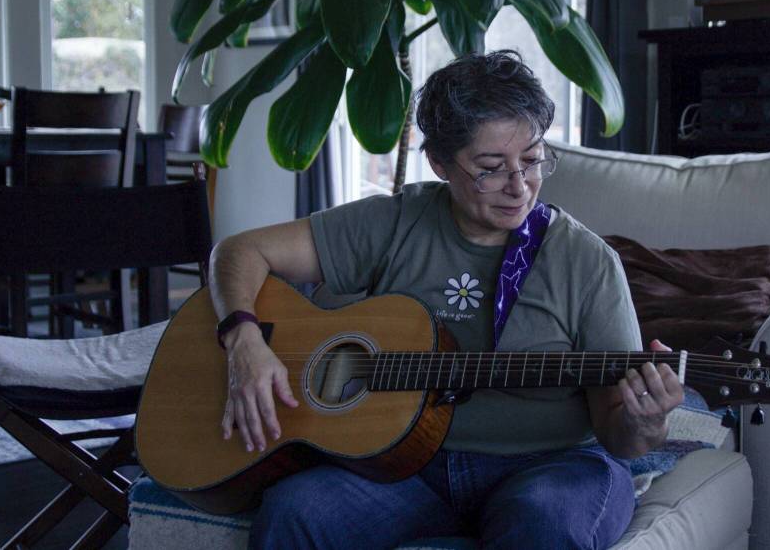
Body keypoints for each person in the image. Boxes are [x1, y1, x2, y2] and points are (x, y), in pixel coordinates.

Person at [210, 50, 685, 550]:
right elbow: (240, 251)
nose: (519, 186)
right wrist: (243, 337)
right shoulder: (396, 222)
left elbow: (623, 438)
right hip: (403, 466)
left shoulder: (587, 263)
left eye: (532, 159)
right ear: (440, 161)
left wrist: (645, 420)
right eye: (490, 167)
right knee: (295, 513)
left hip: (552, 464)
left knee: (543, 525)